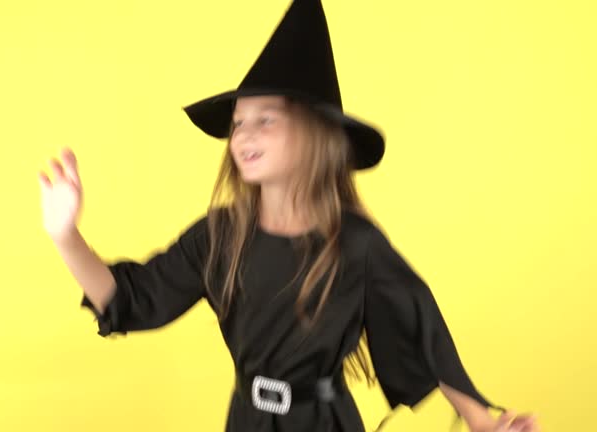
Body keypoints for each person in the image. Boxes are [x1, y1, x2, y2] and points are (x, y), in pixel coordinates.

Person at [38, 1, 540, 431]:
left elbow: (421, 330)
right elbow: (129, 300)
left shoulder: (356, 246)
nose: (244, 136)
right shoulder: (221, 236)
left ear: (314, 135)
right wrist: (66, 235)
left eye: (265, 121)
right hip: (248, 421)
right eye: (237, 124)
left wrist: (480, 418)